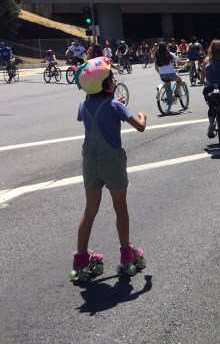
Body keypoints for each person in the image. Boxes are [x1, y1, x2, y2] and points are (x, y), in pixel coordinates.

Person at [71, 57, 147, 282]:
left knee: (90, 209)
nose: (114, 80)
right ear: (106, 84)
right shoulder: (116, 105)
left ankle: (81, 259)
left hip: (90, 162)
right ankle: (126, 255)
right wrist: (141, 114)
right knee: (120, 207)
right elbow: (140, 127)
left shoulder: (83, 105)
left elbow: (95, 113)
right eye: (111, 78)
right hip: (112, 160)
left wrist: (116, 104)